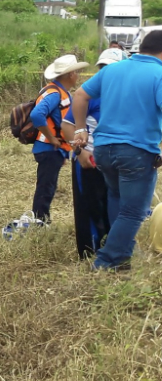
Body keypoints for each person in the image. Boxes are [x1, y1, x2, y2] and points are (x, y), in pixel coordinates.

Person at [72, 30, 162, 271]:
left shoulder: (113, 69)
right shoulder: (159, 74)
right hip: (136, 152)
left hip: (103, 149)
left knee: (117, 198)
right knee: (134, 211)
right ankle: (107, 261)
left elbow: (80, 95)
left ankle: (121, 254)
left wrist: (80, 129)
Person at [61, 48, 124, 258]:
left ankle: (112, 247)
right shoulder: (90, 93)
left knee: (112, 203)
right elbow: (67, 124)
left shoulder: (125, 92)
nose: (107, 71)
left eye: (111, 67)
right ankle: (90, 252)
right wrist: (80, 153)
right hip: (88, 158)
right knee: (89, 205)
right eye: (103, 67)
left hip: (115, 160)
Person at [30, 55, 89, 223]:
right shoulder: (56, 94)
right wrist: (53, 139)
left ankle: (41, 219)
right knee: (46, 187)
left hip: (51, 150)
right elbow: (37, 115)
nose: (78, 75)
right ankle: (40, 221)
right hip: (49, 148)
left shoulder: (56, 91)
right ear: (70, 75)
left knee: (48, 186)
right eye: (76, 72)